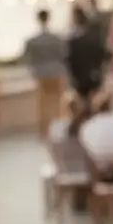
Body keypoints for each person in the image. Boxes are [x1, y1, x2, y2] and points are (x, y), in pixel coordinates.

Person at [25, 10, 70, 138]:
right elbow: (64, 55)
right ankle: (60, 129)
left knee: (42, 103)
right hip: (57, 72)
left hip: (41, 74)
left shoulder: (33, 40)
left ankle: (44, 130)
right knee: (58, 102)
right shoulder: (57, 39)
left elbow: (29, 59)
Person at [66, 6, 111, 102]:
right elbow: (104, 55)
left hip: (80, 78)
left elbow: (69, 59)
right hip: (94, 74)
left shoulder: (73, 40)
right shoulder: (94, 37)